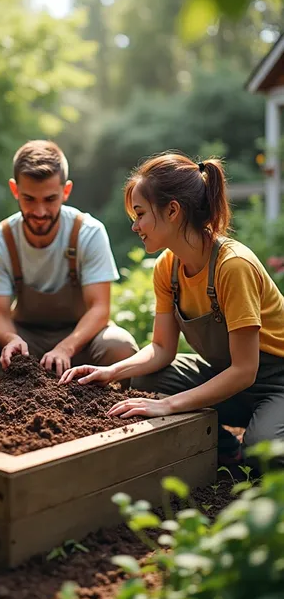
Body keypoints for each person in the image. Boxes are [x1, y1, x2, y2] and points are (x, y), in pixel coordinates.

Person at [60, 152, 284, 468]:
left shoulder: (232, 267)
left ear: (173, 210)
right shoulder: (168, 267)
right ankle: (223, 448)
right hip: (229, 377)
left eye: (140, 214)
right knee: (147, 380)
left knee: (264, 451)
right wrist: (112, 372)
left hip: (275, 383)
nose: (135, 226)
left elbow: (245, 370)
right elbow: (162, 348)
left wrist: (169, 406)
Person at [0, 140, 138, 377]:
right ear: (15, 190)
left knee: (120, 346)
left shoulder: (88, 232)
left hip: (79, 340)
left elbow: (100, 309)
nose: (39, 212)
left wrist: (66, 348)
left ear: (65, 191)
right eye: (29, 199)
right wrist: (11, 339)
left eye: (49, 199)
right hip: (24, 341)